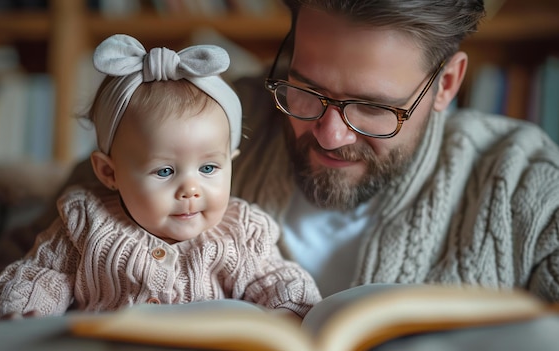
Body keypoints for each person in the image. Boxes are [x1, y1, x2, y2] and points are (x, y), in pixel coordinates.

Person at [0, 34, 321, 323]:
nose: (190, 189)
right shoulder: (86, 224)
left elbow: (276, 278)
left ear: (231, 163)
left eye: (208, 168)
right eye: (165, 171)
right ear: (108, 172)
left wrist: (295, 316)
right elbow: (43, 275)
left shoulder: (242, 233)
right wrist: (21, 314)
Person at [230, 0, 559, 300]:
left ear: (446, 85)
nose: (330, 136)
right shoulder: (215, 122)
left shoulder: (528, 186)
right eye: (307, 89)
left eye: (372, 107)